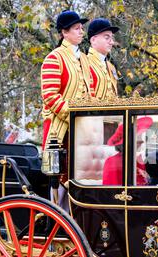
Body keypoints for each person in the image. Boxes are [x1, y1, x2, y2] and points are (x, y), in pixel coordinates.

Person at [41, 10, 93, 209]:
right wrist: (75, 117)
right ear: (64, 32)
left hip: (83, 128)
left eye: (81, 29)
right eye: (77, 29)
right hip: (59, 130)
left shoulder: (84, 60)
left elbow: (91, 93)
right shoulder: (54, 59)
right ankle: (58, 219)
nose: (81, 32)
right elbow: (51, 96)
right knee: (61, 177)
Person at [103, 117, 153, 185]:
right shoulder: (112, 162)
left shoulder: (137, 160)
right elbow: (111, 190)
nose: (142, 141)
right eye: (138, 137)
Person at [87, 18, 120, 99]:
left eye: (111, 38)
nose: (112, 42)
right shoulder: (84, 64)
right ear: (93, 40)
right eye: (107, 37)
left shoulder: (111, 66)